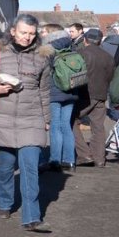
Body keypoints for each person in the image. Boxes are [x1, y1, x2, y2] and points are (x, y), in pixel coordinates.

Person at [0, 14, 53, 231]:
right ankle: (4, 203)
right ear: (13, 31)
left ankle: (32, 217)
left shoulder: (42, 57)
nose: (27, 37)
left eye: (32, 34)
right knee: (6, 166)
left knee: (30, 168)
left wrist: (47, 120)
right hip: (2, 119)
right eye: (23, 32)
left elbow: (44, 91)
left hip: (31, 119)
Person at [73, 28, 116, 169]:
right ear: (99, 41)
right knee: (98, 127)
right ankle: (99, 159)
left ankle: (84, 154)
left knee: (70, 121)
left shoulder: (80, 53)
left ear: (85, 39)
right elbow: (110, 77)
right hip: (101, 94)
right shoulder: (108, 56)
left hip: (84, 94)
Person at [42, 29, 80, 172]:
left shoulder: (49, 51)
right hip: (71, 92)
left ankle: (55, 160)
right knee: (66, 125)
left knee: (55, 126)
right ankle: (69, 160)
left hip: (53, 93)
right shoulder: (73, 48)